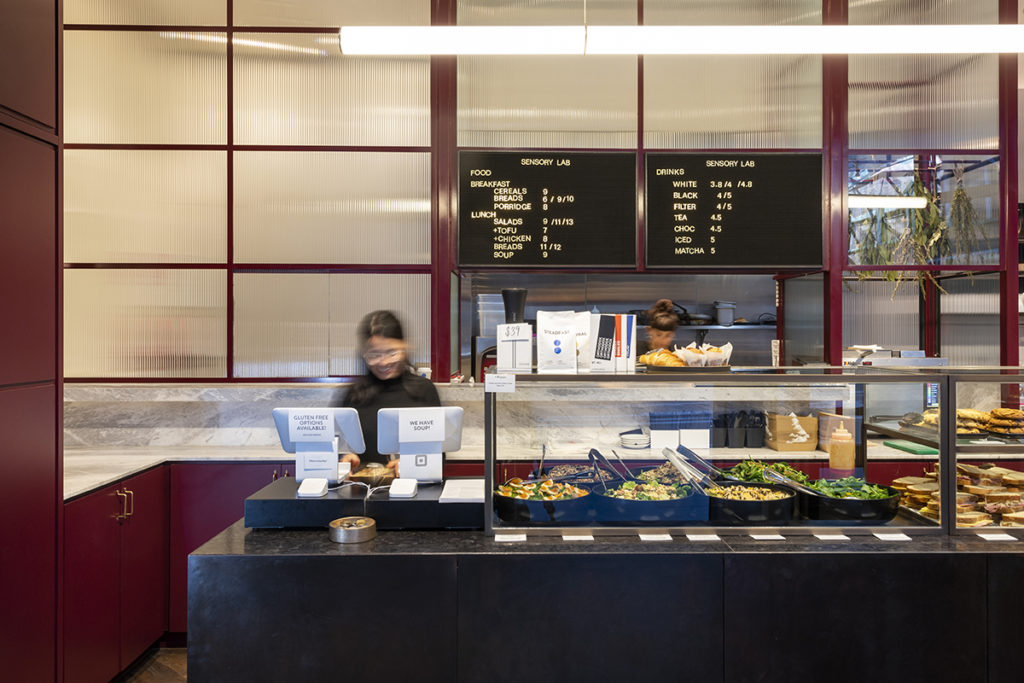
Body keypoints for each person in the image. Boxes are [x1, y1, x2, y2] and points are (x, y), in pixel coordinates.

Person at [333, 310, 440, 475]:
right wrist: (345, 458)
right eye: (374, 354)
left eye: (392, 352)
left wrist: (412, 463)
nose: (384, 362)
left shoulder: (424, 390)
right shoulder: (353, 396)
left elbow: (439, 452)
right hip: (363, 493)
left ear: (404, 349)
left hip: (415, 493)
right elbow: (335, 445)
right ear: (363, 354)